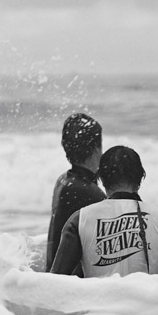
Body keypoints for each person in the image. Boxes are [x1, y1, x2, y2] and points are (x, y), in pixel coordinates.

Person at [49, 145, 158, 285]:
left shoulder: (79, 221)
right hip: (149, 312)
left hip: (95, 313)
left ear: (101, 179)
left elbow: (54, 285)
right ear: (140, 179)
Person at [45, 112, 105, 272]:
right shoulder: (89, 193)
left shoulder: (64, 181)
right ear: (96, 148)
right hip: (72, 287)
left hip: (53, 277)